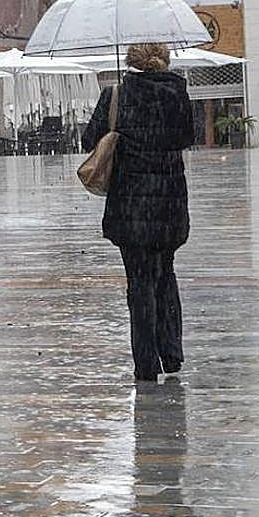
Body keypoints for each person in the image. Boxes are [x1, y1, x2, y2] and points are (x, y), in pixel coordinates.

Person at [82, 43, 194, 383]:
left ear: (131, 61)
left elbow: (90, 140)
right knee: (166, 274)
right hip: (169, 203)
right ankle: (171, 353)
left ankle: (146, 365)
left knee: (140, 283)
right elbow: (187, 137)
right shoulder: (178, 93)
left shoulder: (116, 93)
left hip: (130, 206)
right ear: (164, 60)